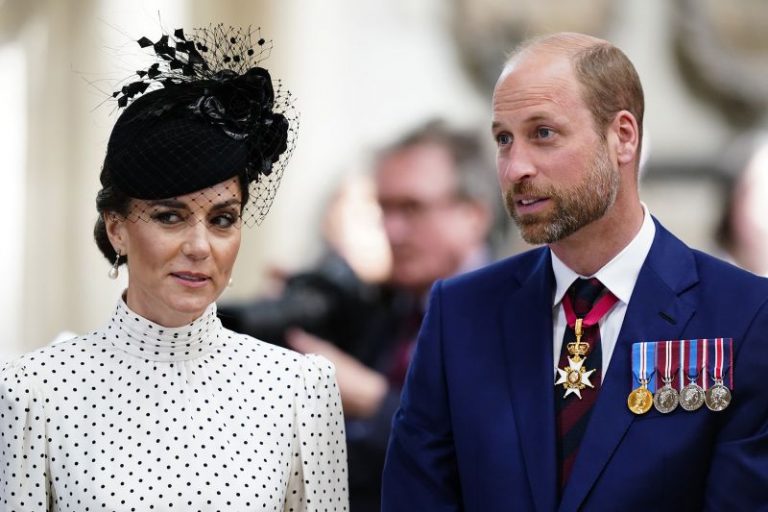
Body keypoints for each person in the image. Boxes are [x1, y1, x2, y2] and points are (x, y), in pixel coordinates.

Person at [382, 32, 768, 511]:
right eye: (504, 139)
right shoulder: (459, 315)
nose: (515, 167)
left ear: (622, 137)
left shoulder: (745, 314)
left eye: (543, 133)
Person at [0, 25, 348, 510]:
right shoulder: (33, 391)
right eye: (170, 216)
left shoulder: (300, 388)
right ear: (117, 228)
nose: (200, 246)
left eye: (223, 218)